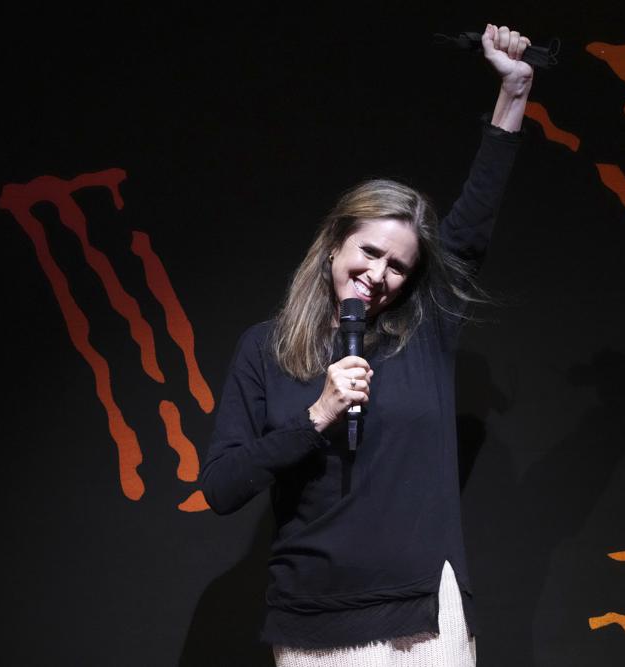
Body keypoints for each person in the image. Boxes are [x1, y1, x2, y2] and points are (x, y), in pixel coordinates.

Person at [200, 23, 534, 667]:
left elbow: (474, 216)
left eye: (399, 266)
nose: (379, 275)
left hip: (422, 614)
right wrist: (316, 417)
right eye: (369, 252)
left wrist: (514, 93)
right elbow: (221, 487)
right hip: (315, 615)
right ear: (334, 245)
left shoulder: (424, 330)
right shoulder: (264, 348)